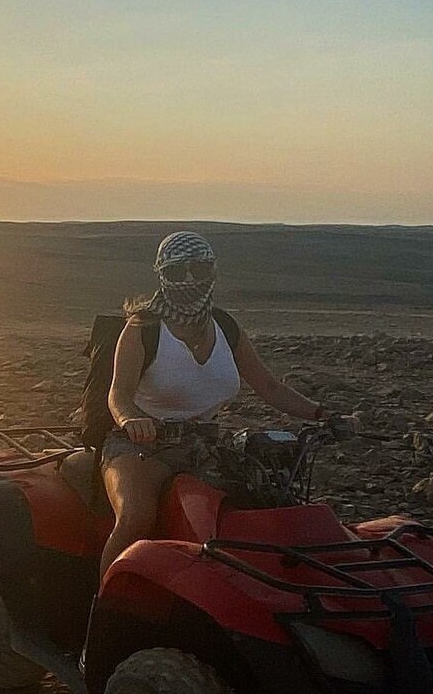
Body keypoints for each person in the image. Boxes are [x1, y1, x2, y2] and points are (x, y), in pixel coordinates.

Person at [100, 230, 349, 580]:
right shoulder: (143, 328)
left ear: (213, 271)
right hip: (142, 446)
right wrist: (131, 420)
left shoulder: (226, 328)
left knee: (265, 503)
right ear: (162, 275)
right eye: (177, 272)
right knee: (136, 517)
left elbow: (269, 386)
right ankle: (104, 601)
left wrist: (324, 414)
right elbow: (118, 394)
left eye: (199, 270)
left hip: (204, 446)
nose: (189, 280)